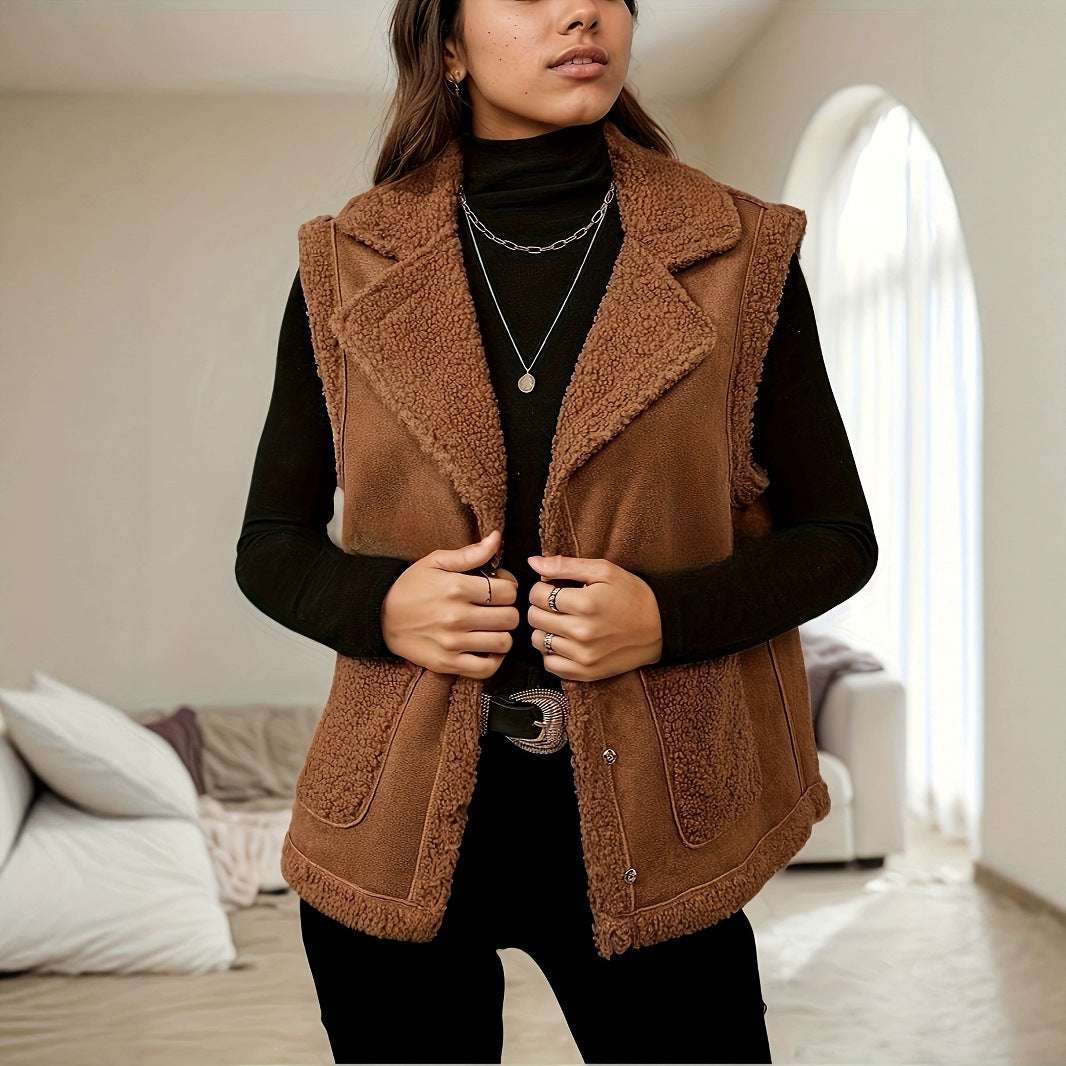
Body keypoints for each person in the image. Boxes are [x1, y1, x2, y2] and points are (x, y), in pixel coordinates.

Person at [235, 1, 877, 1062]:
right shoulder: (344, 262)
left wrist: (665, 618)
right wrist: (384, 606)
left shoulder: (743, 251)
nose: (579, 10)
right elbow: (270, 542)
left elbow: (838, 534)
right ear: (447, 43)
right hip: (395, 821)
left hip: (659, 824)